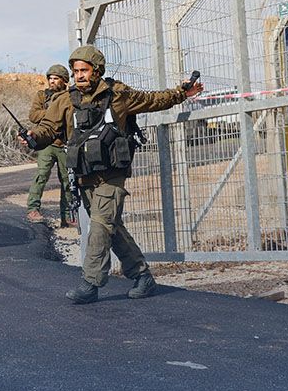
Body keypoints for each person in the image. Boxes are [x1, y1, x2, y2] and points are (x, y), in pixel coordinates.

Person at [25, 45, 202, 304]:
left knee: (99, 226)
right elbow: (47, 129)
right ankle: (143, 277)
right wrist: (32, 138)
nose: (79, 75)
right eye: (75, 71)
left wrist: (180, 92)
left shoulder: (117, 94)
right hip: (85, 175)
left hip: (112, 175)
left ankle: (90, 283)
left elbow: (153, 100)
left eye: (84, 70)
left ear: (97, 71)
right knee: (112, 227)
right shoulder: (65, 100)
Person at [25, 64, 71, 226]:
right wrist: (55, 111)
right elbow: (33, 115)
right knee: (41, 175)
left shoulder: (70, 96)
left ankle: (67, 216)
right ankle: (33, 208)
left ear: (64, 80)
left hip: (65, 143)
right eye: (50, 78)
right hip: (46, 143)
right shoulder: (42, 96)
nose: (52, 81)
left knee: (67, 180)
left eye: (56, 78)